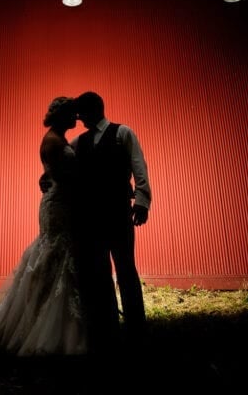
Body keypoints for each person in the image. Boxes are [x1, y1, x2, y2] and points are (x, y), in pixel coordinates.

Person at [0, 96, 86, 358]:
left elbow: (54, 173)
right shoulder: (53, 141)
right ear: (61, 116)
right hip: (59, 205)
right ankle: (52, 326)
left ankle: (60, 319)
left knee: (59, 254)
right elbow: (64, 177)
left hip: (59, 202)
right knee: (58, 254)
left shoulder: (57, 139)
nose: (76, 119)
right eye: (72, 114)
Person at [71, 91, 152, 352]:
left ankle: (136, 327)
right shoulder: (77, 143)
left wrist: (141, 201)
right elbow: (62, 168)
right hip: (91, 217)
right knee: (100, 272)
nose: (78, 116)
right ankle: (108, 327)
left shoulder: (123, 133)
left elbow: (139, 166)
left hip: (118, 212)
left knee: (126, 268)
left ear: (93, 109)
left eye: (81, 111)